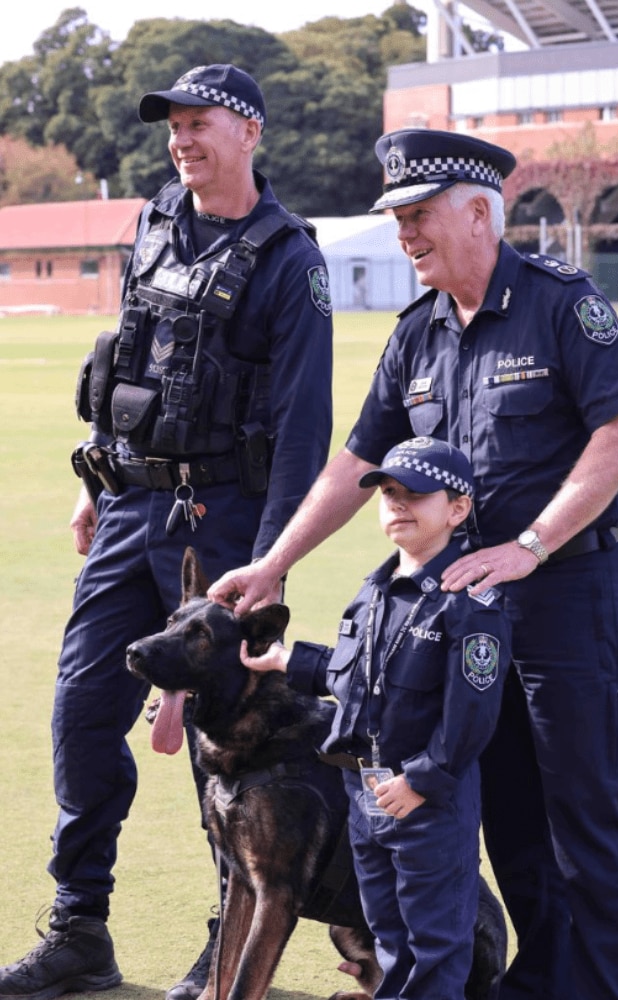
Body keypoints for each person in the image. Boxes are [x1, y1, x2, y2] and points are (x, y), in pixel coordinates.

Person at [209, 128, 618, 1000]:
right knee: (513, 820)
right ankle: (555, 979)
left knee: (586, 820)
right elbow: (354, 461)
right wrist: (272, 564)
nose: (404, 236)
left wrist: (529, 547)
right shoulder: (415, 334)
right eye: (397, 219)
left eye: (417, 217)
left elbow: (617, 439)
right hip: (459, 616)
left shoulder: (562, 305)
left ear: (479, 211)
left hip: (566, 595)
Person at [0, 63, 333, 1000]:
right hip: (128, 505)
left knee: (221, 742)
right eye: (175, 125)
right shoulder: (153, 222)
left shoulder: (289, 261)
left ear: (250, 132)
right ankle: (80, 929)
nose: (183, 139)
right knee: (81, 710)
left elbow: (305, 429)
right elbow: (125, 360)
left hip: (224, 522)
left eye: (201, 123)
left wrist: (272, 564)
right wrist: (90, 477)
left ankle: (225, 939)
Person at [239, 436, 511, 999]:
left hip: (426, 800)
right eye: (388, 493)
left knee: (433, 942)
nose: (398, 504)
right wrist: (291, 660)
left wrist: (422, 781)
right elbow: (356, 674)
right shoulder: (375, 589)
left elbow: (472, 712)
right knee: (388, 935)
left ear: (457, 508)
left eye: (416, 494)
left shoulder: (467, 601)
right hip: (364, 793)